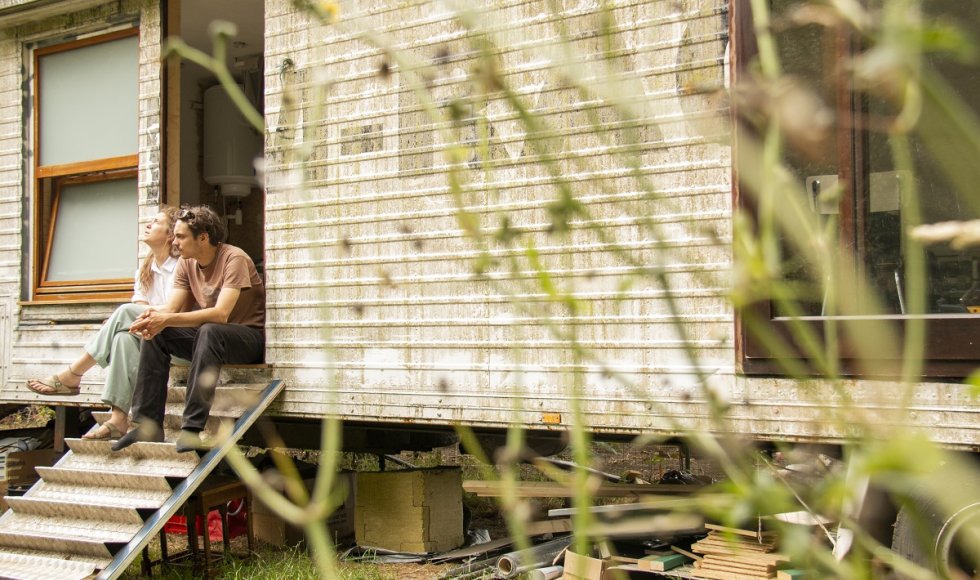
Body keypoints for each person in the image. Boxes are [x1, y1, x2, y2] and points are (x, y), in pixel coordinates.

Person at [112, 205, 265, 453]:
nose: (175, 242)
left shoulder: (233, 258)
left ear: (203, 237)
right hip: (211, 339)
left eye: (181, 236)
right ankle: (147, 425)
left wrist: (167, 319)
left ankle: (191, 429)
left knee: (209, 329)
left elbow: (221, 314)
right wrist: (152, 317)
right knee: (159, 330)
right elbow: (172, 309)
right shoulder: (187, 263)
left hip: (247, 339)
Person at [26, 208, 182, 440]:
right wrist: (128, 318)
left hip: (178, 343)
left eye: (156, 222)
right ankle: (118, 419)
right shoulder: (144, 270)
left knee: (125, 312)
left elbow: (172, 309)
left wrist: (128, 315)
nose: (148, 225)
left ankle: (73, 374)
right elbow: (139, 311)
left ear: (171, 235)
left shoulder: (181, 266)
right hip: (150, 341)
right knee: (122, 337)